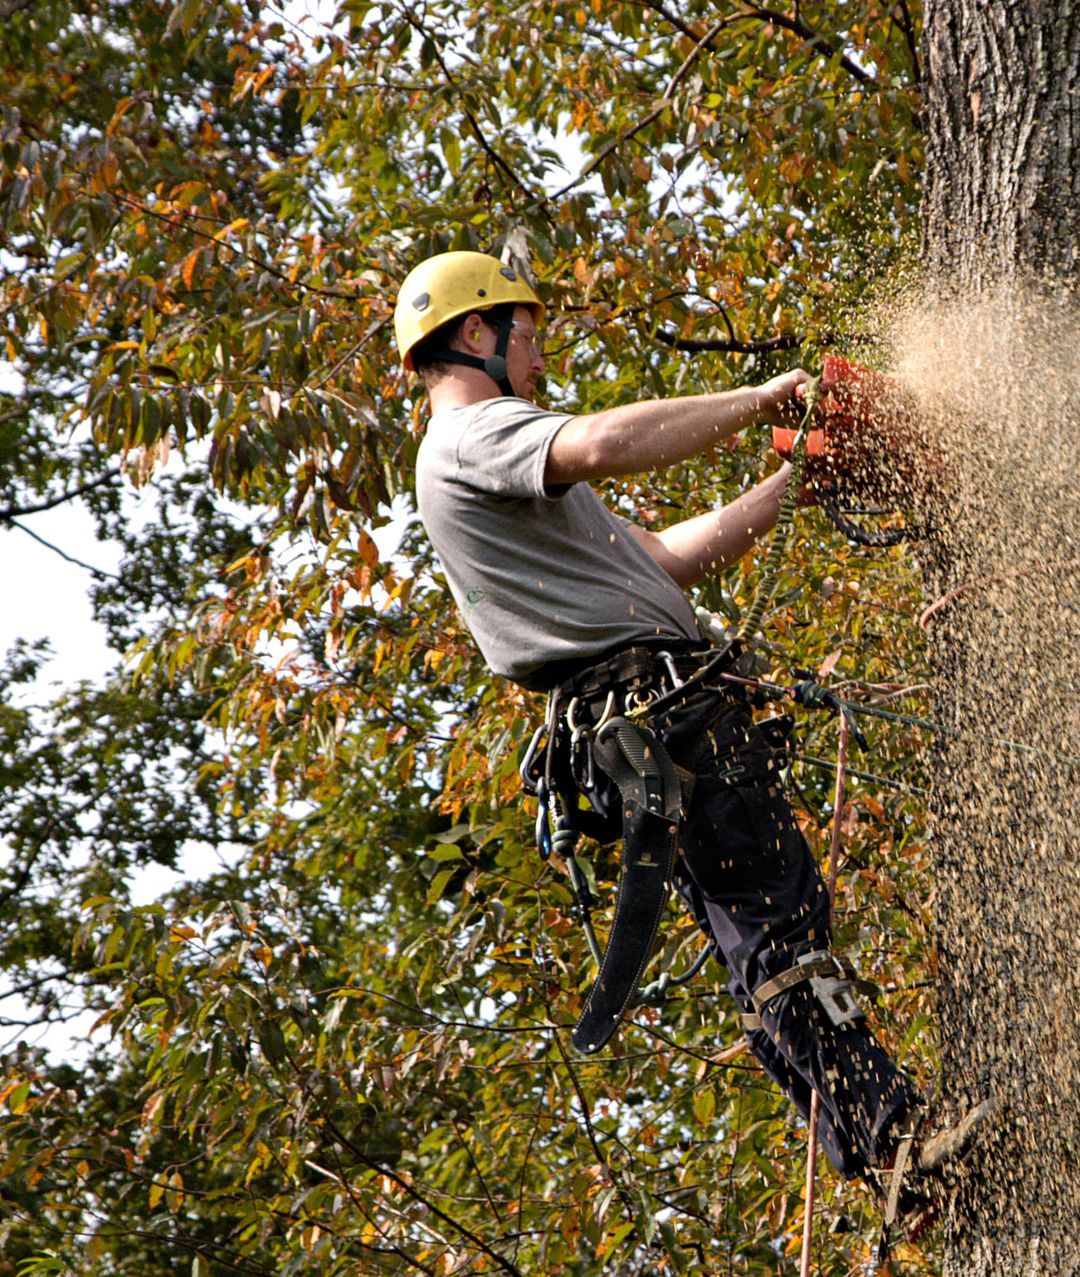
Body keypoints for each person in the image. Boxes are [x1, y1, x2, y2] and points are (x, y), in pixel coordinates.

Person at [392, 250, 985, 1228]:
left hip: (642, 724)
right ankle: (894, 1141)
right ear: (474, 335)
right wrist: (761, 399)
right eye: (528, 334)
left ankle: (884, 1161)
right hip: (650, 714)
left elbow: (667, 558)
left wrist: (799, 473)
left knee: (761, 935)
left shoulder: (503, 463)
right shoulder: (476, 433)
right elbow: (603, 443)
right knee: (778, 924)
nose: (539, 356)